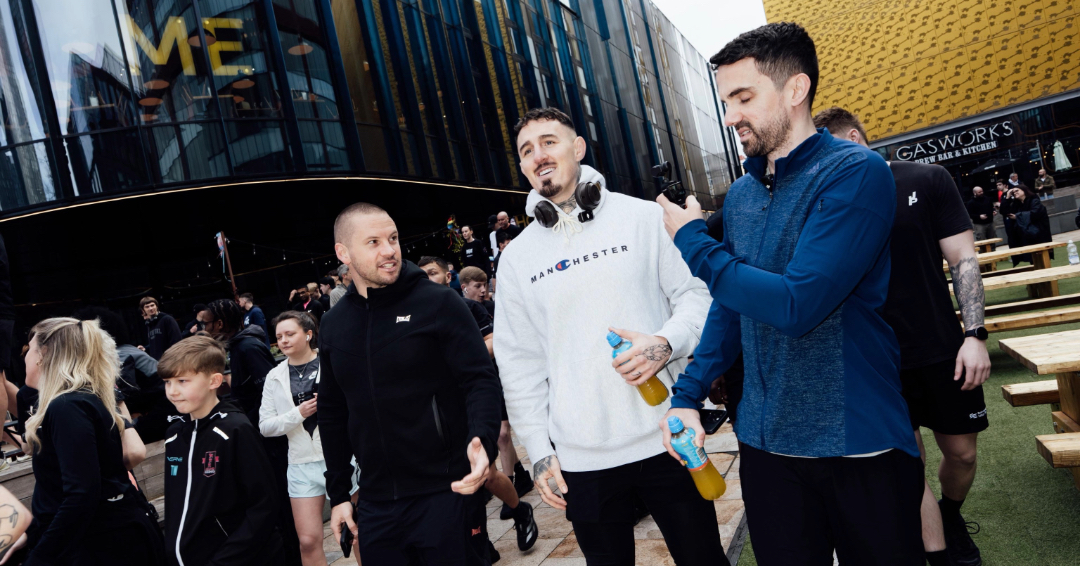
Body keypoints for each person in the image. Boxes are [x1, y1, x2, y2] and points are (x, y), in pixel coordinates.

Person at [657, 24, 923, 564]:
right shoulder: (742, 196)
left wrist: (693, 240)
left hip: (859, 439)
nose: (730, 116)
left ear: (796, 89)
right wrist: (687, 394)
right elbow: (730, 306)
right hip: (766, 444)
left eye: (743, 98)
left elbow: (797, 305)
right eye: (726, 101)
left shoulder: (857, 171)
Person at [494, 106, 722, 565]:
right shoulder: (516, 259)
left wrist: (665, 343)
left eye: (549, 142)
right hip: (581, 461)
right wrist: (538, 451)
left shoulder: (642, 217)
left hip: (668, 438)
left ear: (578, 147)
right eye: (527, 150)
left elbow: (698, 297)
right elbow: (518, 364)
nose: (539, 155)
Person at [815, 106, 992, 566]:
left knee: (962, 454)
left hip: (941, 348)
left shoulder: (926, 179)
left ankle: (950, 516)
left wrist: (974, 334)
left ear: (853, 139)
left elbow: (963, 260)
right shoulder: (827, 200)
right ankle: (937, 548)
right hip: (876, 359)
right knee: (908, 464)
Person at [319, 202, 502, 564]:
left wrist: (483, 439)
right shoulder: (333, 324)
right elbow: (332, 410)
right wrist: (339, 494)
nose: (389, 250)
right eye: (373, 242)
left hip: (447, 491)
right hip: (376, 503)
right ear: (344, 253)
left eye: (393, 238)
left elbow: (479, 379)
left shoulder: (439, 302)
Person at [11, 317, 165, 565]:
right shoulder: (77, 400)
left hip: (99, 545)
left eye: (30, 349)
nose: (24, 356)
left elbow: (81, 495)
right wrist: (33, 535)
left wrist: (39, 557)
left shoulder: (67, 406)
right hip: (99, 538)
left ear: (44, 355)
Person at [417, 256, 539, 555]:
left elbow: (493, 341)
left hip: (473, 397)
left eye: (432, 273)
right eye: (422, 275)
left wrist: (458, 360)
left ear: (448, 277)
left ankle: (518, 509)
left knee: (488, 474)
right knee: (457, 480)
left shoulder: (468, 307)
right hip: (436, 410)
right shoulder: (416, 316)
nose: (427, 279)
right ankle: (479, 540)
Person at [158, 336, 284, 566]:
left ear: (214, 381)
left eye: (182, 381)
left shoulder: (235, 430)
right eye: (168, 382)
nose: (172, 391)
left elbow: (263, 505)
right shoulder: (174, 435)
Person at [203, 299, 303, 566]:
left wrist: (246, 421)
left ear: (220, 323)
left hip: (268, 440)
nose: (203, 328)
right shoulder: (239, 347)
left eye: (206, 323)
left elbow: (271, 393)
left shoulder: (247, 347)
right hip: (259, 436)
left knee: (282, 504)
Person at [260, 311, 360, 566]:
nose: (283, 340)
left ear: (308, 334)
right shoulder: (274, 376)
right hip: (300, 463)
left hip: (342, 457)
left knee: (358, 532)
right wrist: (298, 413)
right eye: (279, 336)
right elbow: (265, 426)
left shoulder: (331, 363)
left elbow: (357, 406)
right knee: (307, 540)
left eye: (289, 334)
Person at [1000, 184, 1052, 266]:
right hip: (1025, 236)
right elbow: (1004, 212)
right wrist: (1007, 197)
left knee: (1041, 259)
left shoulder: (1034, 201)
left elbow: (1035, 213)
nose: (1015, 193)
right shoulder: (1017, 204)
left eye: (1017, 191)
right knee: (1032, 260)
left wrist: (1018, 216)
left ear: (1024, 191)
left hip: (1037, 234)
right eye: (1013, 192)